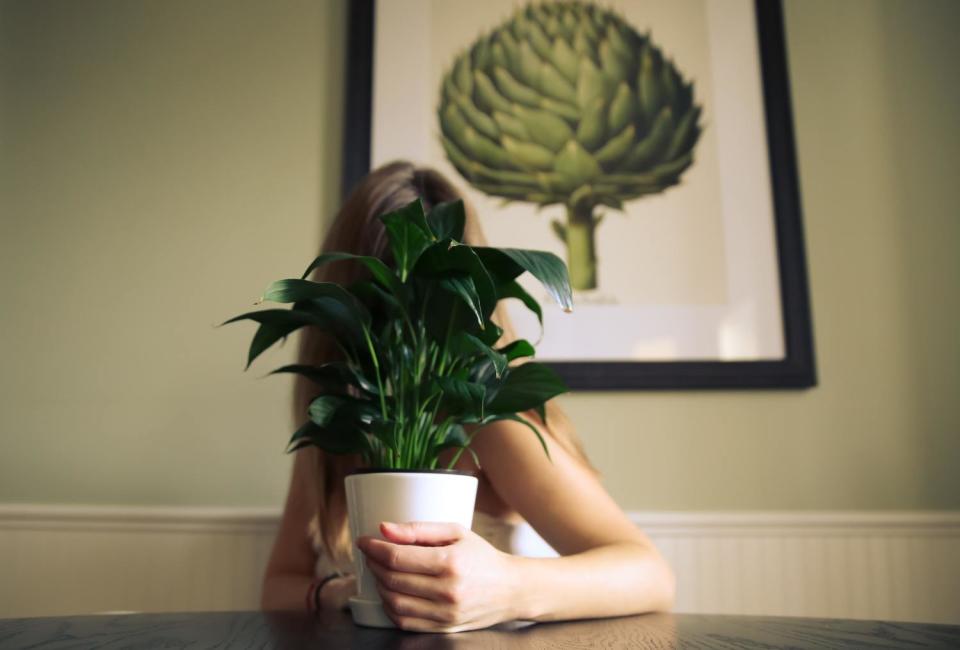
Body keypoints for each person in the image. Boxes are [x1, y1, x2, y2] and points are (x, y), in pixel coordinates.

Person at [260, 160, 675, 632]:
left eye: (433, 289)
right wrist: (340, 590)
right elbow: (279, 583)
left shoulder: (489, 420)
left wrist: (509, 588)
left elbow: (650, 574)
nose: (405, 320)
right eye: (380, 290)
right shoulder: (336, 427)